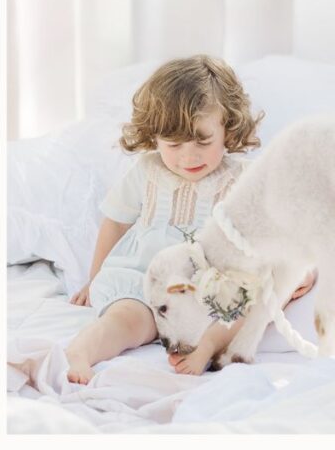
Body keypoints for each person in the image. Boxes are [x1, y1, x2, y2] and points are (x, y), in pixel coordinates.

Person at [65, 54, 315, 381]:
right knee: (126, 320)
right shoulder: (146, 172)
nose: (189, 156)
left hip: (209, 285)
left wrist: (300, 269)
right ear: (154, 137)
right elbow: (115, 223)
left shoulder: (244, 178)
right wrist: (94, 278)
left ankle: (208, 346)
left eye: (203, 140)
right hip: (146, 278)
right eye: (174, 144)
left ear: (228, 128)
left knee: (243, 308)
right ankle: (82, 351)